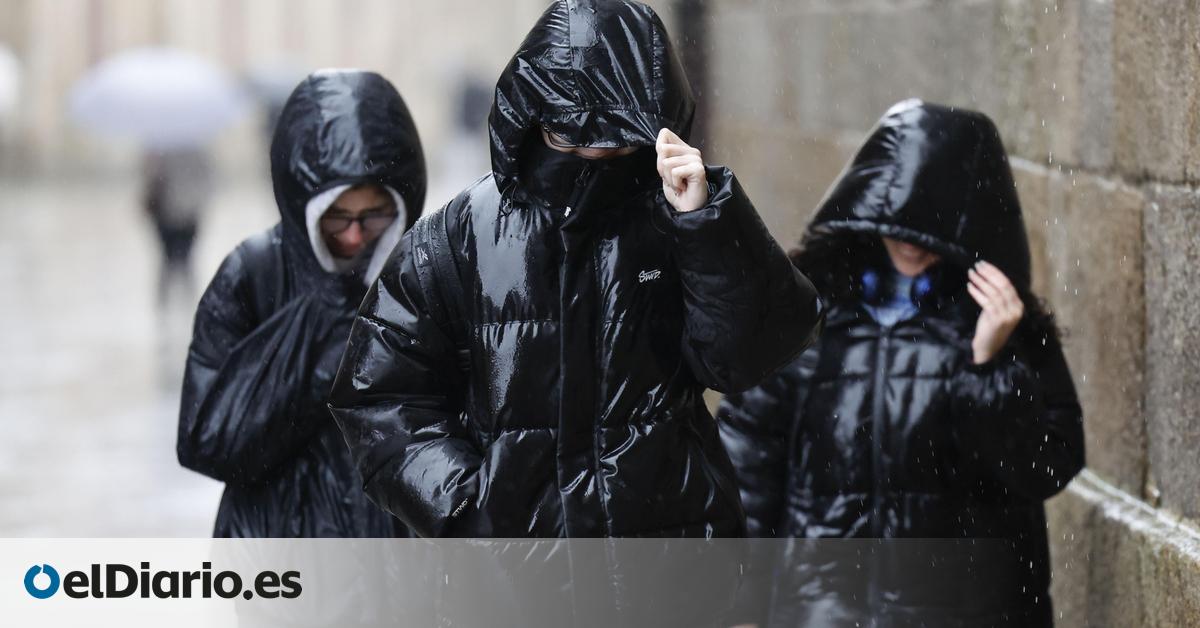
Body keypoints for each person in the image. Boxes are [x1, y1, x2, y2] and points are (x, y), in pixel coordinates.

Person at [328, 0, 823, 541]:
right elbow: (380, 395)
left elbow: (747, 359)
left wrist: (708, 224)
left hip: (668, 556)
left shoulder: (679, 218)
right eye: (568, 139)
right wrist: (471, 506)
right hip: (517, 579)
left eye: (613, 144)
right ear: (532, 118)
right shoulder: (459, 236)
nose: (590, 158)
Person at [718, 100, 1085, 627]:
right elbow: (749, 465)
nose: (913, 245)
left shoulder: (1000, 327)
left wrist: (987, 367)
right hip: (822, 609)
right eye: (902, 225)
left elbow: (1045, 467)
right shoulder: (809, 315)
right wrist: (741, 606)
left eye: (928, 231)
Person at [176, 70, 426, 538]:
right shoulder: (252, 275)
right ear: (304, 205)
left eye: (373, 216)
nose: (353, 236)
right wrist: (320, 369)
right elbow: (206, 440)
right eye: (336, 218)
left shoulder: (425, 273)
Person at [143, 146, 213, 305]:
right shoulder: (197, 148)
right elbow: (208, 181)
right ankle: (181, 301)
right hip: (183, 211)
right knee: (181, 260)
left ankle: (169, 302)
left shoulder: (159, 146)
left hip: (172, 211)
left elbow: (150, 178)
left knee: (171, 260)